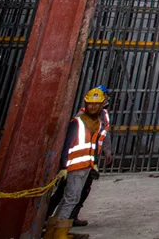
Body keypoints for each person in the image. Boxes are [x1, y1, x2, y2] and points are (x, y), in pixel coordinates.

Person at [46, 87, 112, 238]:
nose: (94, 106)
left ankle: (55, 228)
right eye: (91, 104)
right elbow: (67, 143)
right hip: (74, 166)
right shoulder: (79, 120)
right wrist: (63, 166)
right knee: (70, 198)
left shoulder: (98, 120)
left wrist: (94, 161)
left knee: (70, 197)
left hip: (86, 164)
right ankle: (58, 232)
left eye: (98, 103)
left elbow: (96, 141)